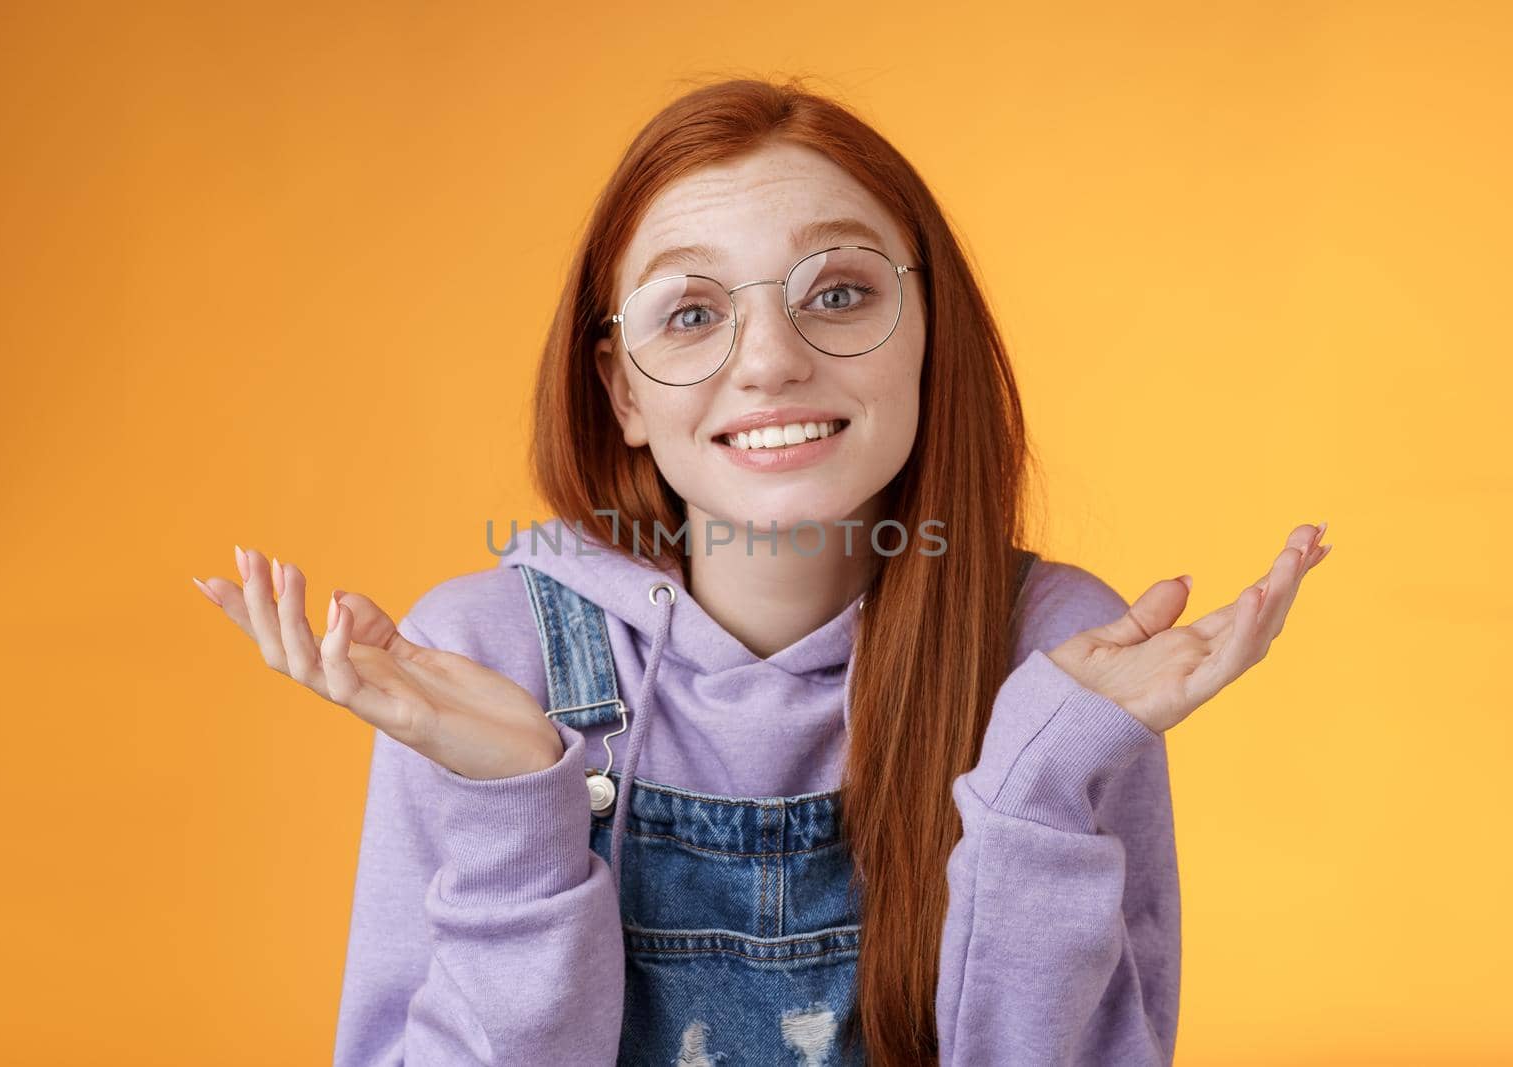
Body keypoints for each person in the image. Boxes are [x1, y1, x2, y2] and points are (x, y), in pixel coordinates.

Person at [193, 77, 1331, 1066]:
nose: (773, 360)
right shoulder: (487, 658)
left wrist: (1036, 781)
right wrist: (514, 816)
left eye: (839, 291)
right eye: (691, 313)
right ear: (623, 388)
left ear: (926, 323)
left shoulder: (1061, 654)